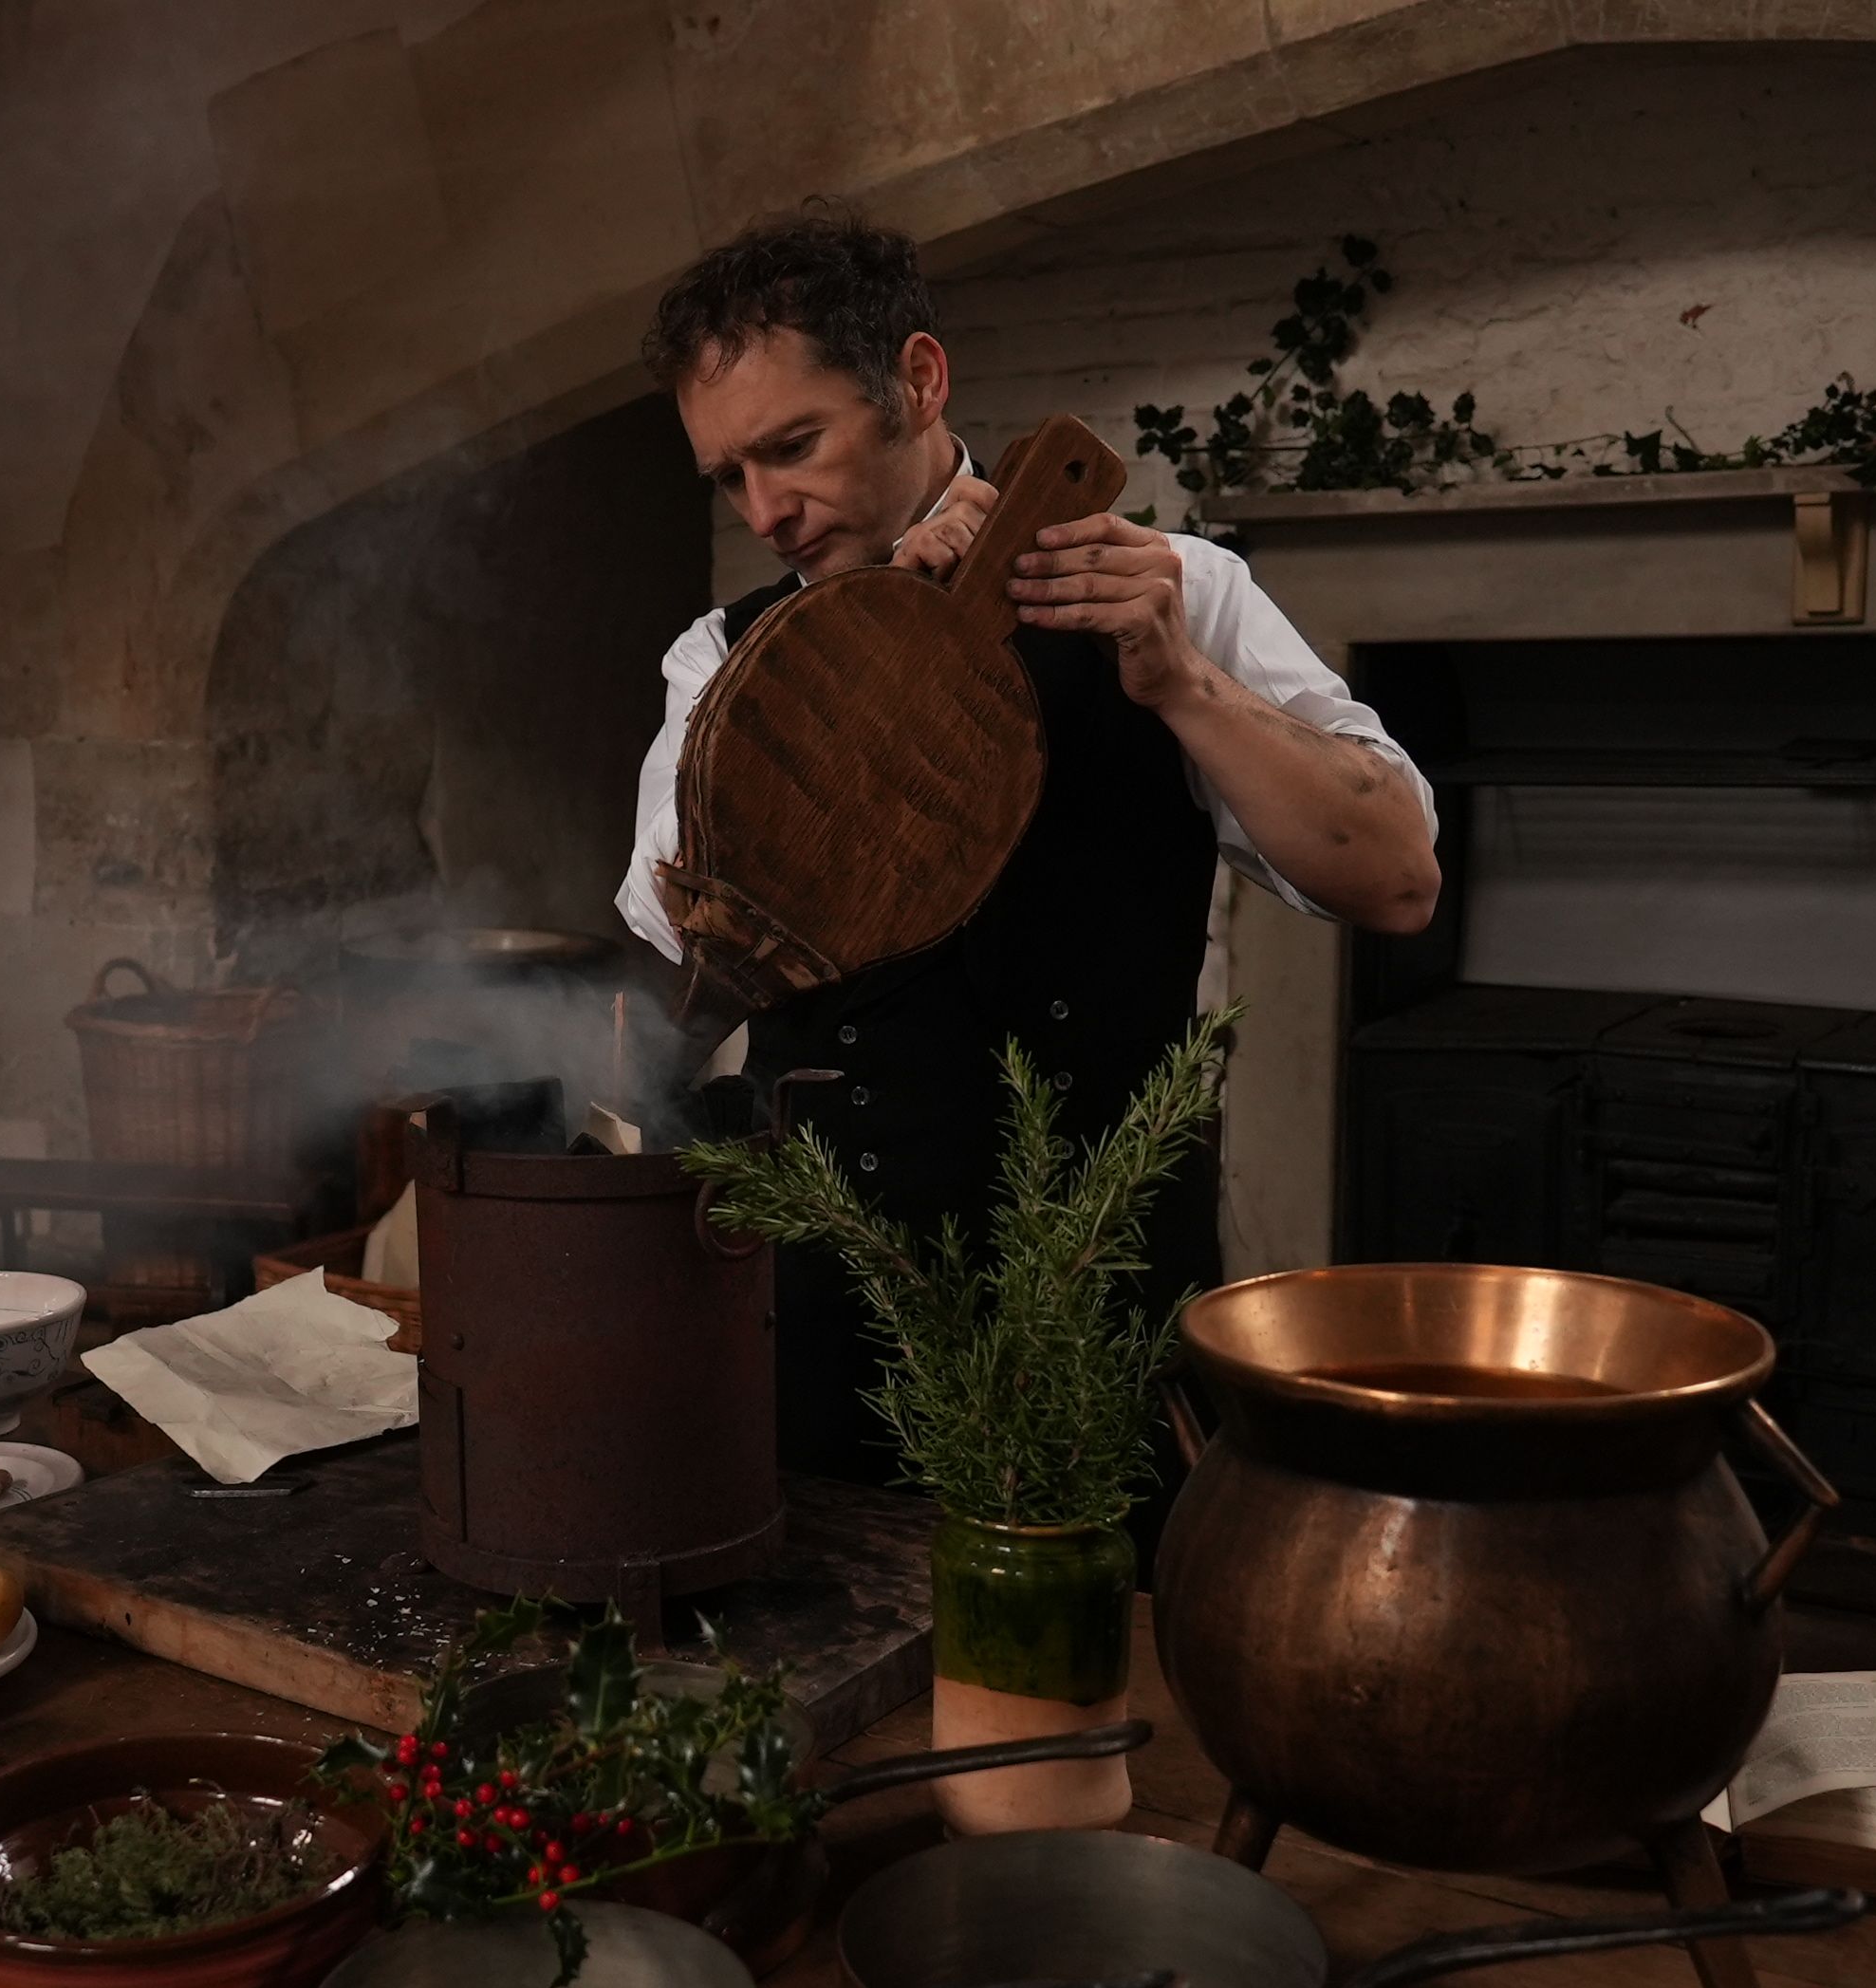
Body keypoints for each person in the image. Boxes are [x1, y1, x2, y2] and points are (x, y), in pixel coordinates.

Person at [617, 204, 1441, 1490]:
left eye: (795, 446)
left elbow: (1394, 876)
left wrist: (1179, 683)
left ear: (918, 381)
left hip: (1100, 1307)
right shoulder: (719, 662)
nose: (767, 510)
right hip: (837, 1319)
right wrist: (873, 671)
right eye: (731, 477)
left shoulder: (1180, 593)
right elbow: (689, 972)